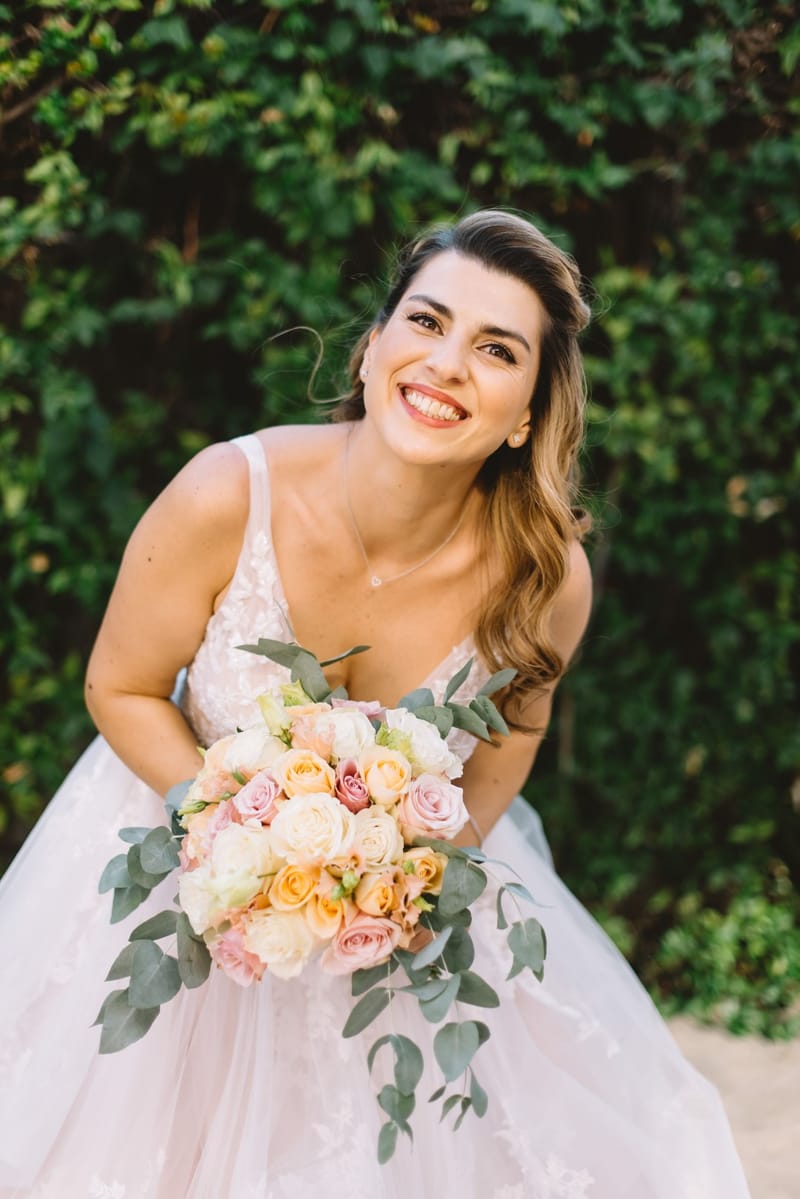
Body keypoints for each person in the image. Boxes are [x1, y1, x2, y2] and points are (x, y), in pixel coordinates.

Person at [0, 211, 751, 1198]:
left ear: (526, 409)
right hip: (175, 865)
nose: (445, 364)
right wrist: (253, 840)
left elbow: (497, 759)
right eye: (426, 322)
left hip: (394, 919)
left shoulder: (543, 576)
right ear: (371, 349)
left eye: (494, 349)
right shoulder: (227, 492)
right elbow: (122, 685)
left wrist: (395, 881)